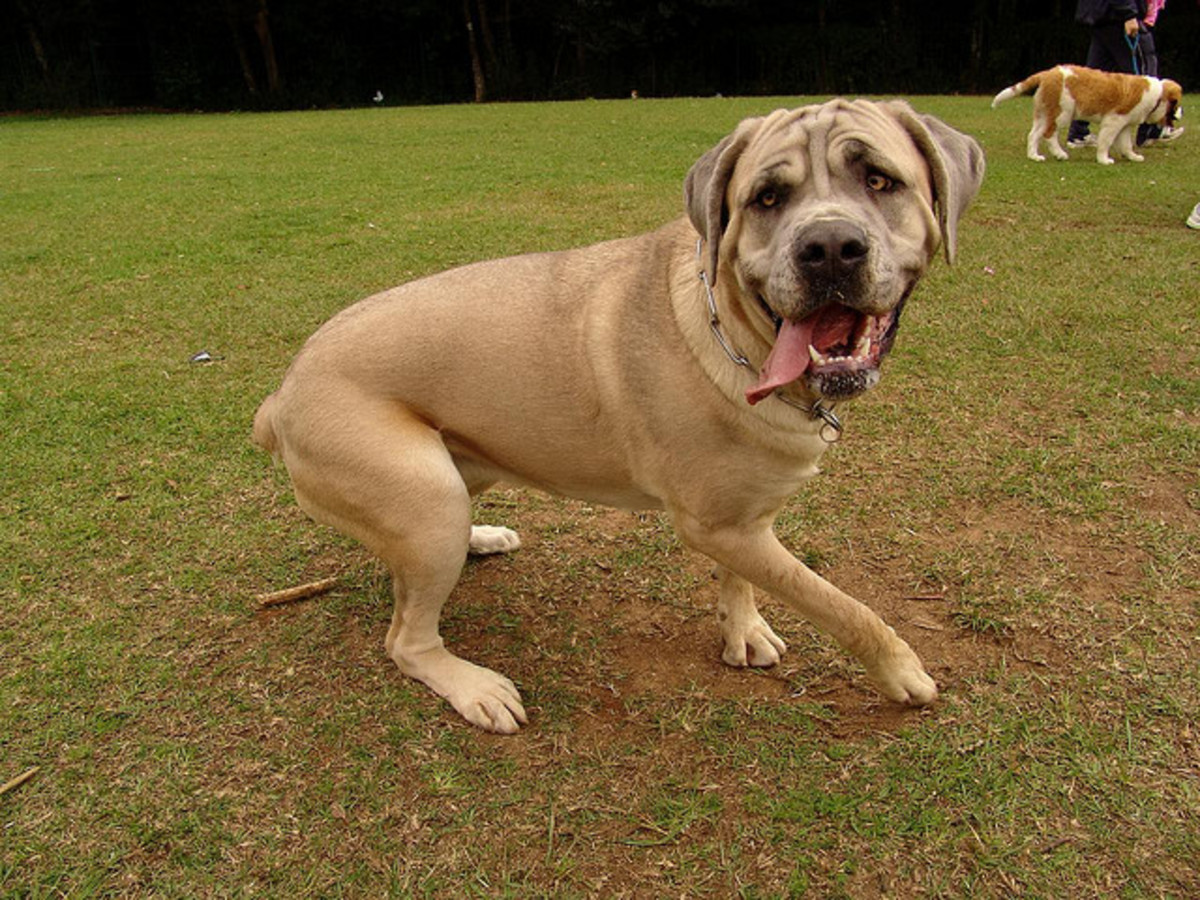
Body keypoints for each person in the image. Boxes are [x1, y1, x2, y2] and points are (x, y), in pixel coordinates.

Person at [1068, 0, 1148, 148]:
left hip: (1103, 15)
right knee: (1141, 78)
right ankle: (1152, 128)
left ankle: (1078, 131)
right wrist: (1129, 14)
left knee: (1093, 78)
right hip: (1115, 16)